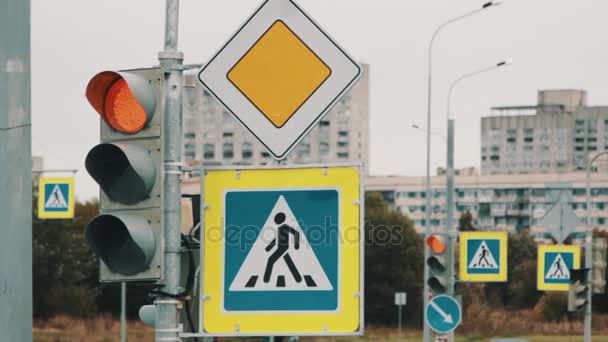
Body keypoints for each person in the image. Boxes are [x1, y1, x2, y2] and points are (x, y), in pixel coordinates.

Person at [263, 212, 302, 283]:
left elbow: (296, 233)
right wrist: (269, 247)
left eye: (277, 219)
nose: (275, 220)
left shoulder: (285, 227)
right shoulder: (280, 228)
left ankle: (266, 280)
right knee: (288, 261)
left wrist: (296, 245)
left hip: (283, 248)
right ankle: (298, 278)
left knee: (270, 260)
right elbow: (277, 238)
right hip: (281, 248)